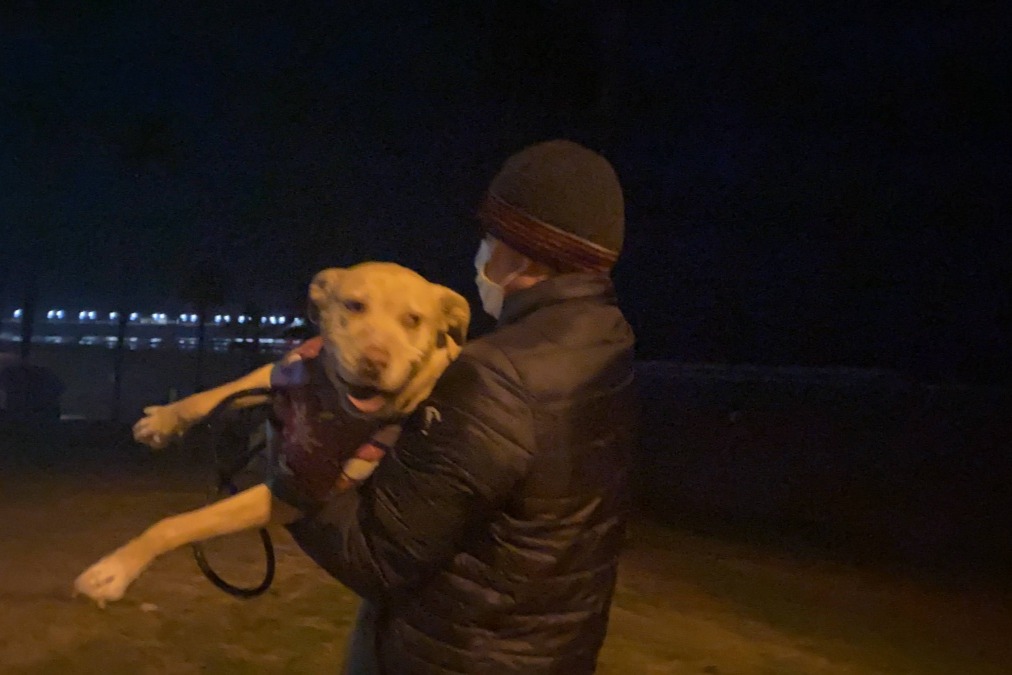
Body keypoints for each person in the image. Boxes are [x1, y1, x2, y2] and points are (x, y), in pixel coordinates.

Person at [277, 139, 638, 674]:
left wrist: (289, 460)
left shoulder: (495, 375)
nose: (482, 254)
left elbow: (376, 557)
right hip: (551, 651)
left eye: (490, 237)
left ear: (520, 252)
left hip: (451, 654)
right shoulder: (610, 344)